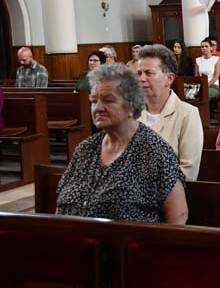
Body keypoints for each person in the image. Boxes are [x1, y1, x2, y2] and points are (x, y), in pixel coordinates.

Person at [56, 63, 188, 224]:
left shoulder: (155, 151)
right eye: (93, 101)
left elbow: (178, 216)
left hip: (128, 240)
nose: (98, 108)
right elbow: (61, 203)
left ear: (132, 106)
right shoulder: (85, 148)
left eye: (108, 100)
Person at [137, 44, 204, 181]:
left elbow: (188, 172)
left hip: (169, 192)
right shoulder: (130, 113)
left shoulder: (187, 114)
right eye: (139, 73)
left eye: (149, 73)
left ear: (169, 78)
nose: (141, 79)